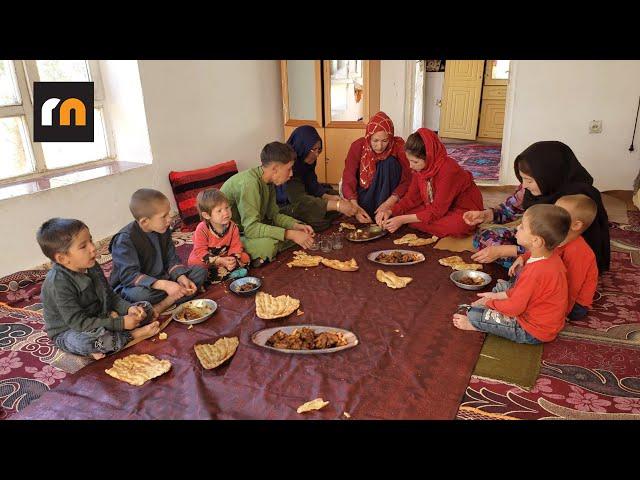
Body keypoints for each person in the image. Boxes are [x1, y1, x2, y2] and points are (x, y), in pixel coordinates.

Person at [464, 141, 610, 271]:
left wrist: (505, 251)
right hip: (536, 240)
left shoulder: (573, 201)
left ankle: (531, 274)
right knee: (485, 237)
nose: (524, 185)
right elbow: (510, 209)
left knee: (542, 269)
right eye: (522, 179)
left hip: (561, 254)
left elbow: (558, 245)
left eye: (529, 180)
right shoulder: (533, 187)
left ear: (548, 176)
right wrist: (485, 215)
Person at [37, 218, 160, 359]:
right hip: (72, 330)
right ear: (63, 258)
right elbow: (79, 323)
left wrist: (128, 309)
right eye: (83, 246)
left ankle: (113, 339)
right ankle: (130, 335)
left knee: (145, 307)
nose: (93, 248)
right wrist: (120, 323)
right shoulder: (58, 284)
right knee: (85, 341)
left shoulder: (91, 265)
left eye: (91, 240)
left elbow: (110, 295)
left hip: (99, 316)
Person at [452, 204, 571, 344]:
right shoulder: (551, 256)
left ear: (536, 241)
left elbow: (515, 308)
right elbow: (526, 292)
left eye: (522, 227)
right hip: (541, 315)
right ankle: (494, 303)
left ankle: (477, 325)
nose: (517, 228)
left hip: (531, 330)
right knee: (505, 286)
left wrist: (491, 302)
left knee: (474, 314)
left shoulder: (535, 273)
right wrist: (498, 296)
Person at [109, 189, 208, 313]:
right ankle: (170, 300)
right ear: (145, 221)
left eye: (169, 214)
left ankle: (171, 297)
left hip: (163, 278)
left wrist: (181, 277)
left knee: (200, 271)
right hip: (138, 286)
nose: (169, 219)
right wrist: (164, 285)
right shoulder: (124, 239)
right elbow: (129, 275)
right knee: (139, 296)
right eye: (164, 216)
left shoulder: (163, 228)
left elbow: (171, 258)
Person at [220, 141, 315, 266]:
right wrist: (290, 234)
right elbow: (251, 229)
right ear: (275, 169)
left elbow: (273, 215)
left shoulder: (268, 181)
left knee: (297, 234)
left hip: (246, 229)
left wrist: (295, 225)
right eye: (289, 169)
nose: (291, 174)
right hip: (224, 236)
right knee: (269, 245)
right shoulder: (250, 184)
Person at [378, 128, 483, 237]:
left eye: (415, 162)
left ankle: (416, 221)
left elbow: (437, 210)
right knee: (406, 212)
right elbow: (411, 198)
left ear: (429, 156)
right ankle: (417, 220)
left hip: (463, 210)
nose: (410, 166)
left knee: (459, 226)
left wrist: (403, 219)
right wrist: (391, 211)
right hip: (438, 207)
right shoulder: (420, 169)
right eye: (409, 160)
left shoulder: (449, 170)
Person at [509, 194, 599, 321]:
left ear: (576, 225)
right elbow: (542, 250)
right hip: (555, 288)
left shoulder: (579, 251)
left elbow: (572, 286)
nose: (552, 215)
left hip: (574, 304)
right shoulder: (556, 237)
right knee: (524, 276)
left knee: (530, 302)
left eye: (560, 213)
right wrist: (523, 257)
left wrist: (560, 312)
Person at [275, 125, 358, 231]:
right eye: (314, 150)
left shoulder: (307, 159)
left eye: (319, 150)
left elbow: (312, 184)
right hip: (288, 202)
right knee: (318, 221)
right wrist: (336, 205)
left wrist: (327, 196)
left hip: (303, 194)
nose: (317, 154)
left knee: (335, 194)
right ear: (302, 146)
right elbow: (299, 199)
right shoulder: (289, 166)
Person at [341, 111, 411, 222]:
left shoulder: (398, 147)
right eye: (375, 141)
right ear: (369, 137)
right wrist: (355, 207)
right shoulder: (358, 146)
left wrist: (388, 204)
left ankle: (384, 214)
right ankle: (368, 213)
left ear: (390, 137)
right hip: (366, 196)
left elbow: (408, 179)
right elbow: (348, 177)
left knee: (389, 162)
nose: (379, 146)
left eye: (385, 141)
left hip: (390, 196)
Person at [187, 188, 251, 284]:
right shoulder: (202, 229)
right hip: (206, 258)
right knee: (195, 263)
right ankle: (217, 274)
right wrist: (219, 261)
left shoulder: (233, 227)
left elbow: (236, 246)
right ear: (207, 215)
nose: (225, 213)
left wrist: (231, 260)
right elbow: (200, 251)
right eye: (219, 211)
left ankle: (219, 274)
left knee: (245, 257)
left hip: (224, 256)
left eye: (227, 208)